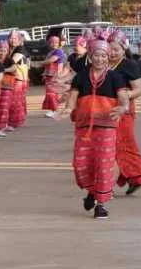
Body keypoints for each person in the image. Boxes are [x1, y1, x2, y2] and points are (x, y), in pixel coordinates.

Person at [55, 39, 130, 219]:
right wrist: (67, 110)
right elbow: (73, 98)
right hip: (84, 128)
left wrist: (124, 107)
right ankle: (91, 192)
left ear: (107, 57)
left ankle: (101, 204)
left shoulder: (115, 77)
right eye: (96, 55)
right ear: (90, 56)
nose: (100, 59)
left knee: (104, 165)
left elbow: (123, 97)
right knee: (81, 164)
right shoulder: (81, 76)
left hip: (107, 128)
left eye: (103, 56)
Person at [108, 30, 141, 195]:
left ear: (124, 49)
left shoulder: (130, 65)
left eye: (116, 49)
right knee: (110, 145)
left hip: (124, 110)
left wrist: (125, 95)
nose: (112, 53)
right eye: (110, 49)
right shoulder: (104, 63)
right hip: (106, 109)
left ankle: (109, 185)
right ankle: (136, 178)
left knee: (122, 145)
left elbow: (138, 90)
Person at [6, 30, 29, 130]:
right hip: (17, 79)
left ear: (19, 39)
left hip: (19, 80)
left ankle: (13, 123)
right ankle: (16, 121)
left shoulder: (20, 49)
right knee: (17, 101)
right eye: (11, 38)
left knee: (14, 102)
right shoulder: (12, 49)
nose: (12, 40)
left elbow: (11, 62)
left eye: (15, 38)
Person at [41, 36, 66, 118]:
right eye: (52, 42)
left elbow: (52, 60)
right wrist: (44, 74)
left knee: (51, 93)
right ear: (49, 43)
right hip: (49, 75)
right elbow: (47, 65)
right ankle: (53, 110)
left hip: (55, 76)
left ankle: (54, 110)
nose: (54, 44)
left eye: (56, 42)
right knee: (51, 93)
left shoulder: (59, 51)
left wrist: (41, 63)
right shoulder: (50, 52)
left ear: (59, 43)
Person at [0, 40, 14, 137]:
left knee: (4, 107)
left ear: (7, 51)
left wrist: (3, 70)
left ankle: (1, 128)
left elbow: (14, 68)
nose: (2, 53)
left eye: (4, 50)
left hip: (7, 87)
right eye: (0, 50)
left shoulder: (9, 60)